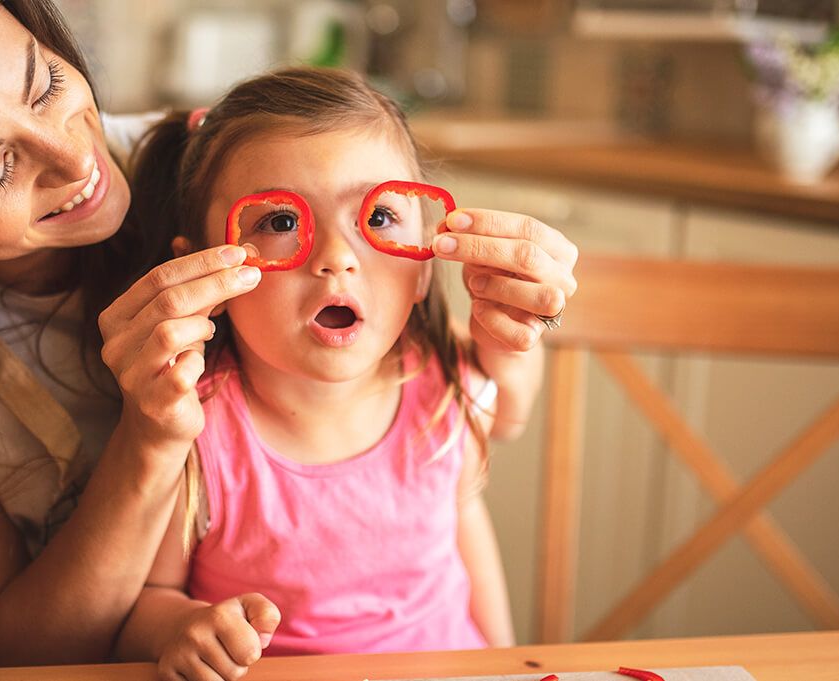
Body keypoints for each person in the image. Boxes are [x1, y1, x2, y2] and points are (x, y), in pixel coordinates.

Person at [0, 0, 576, 674]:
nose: (78, 161)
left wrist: (518, 327)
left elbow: (467, 447)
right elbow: (26, 648)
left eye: (50, 83)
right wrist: (151, 442)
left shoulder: (212, 169)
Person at [112, 67, 578, 681]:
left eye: (379, 218)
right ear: (203, 275)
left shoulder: (441, 382)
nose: (336, 257)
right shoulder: (194, 427)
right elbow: (144, 601)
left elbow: (511, 415)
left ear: (423, 268)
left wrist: (516, 332)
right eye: (279, 222)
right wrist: (178, 627)